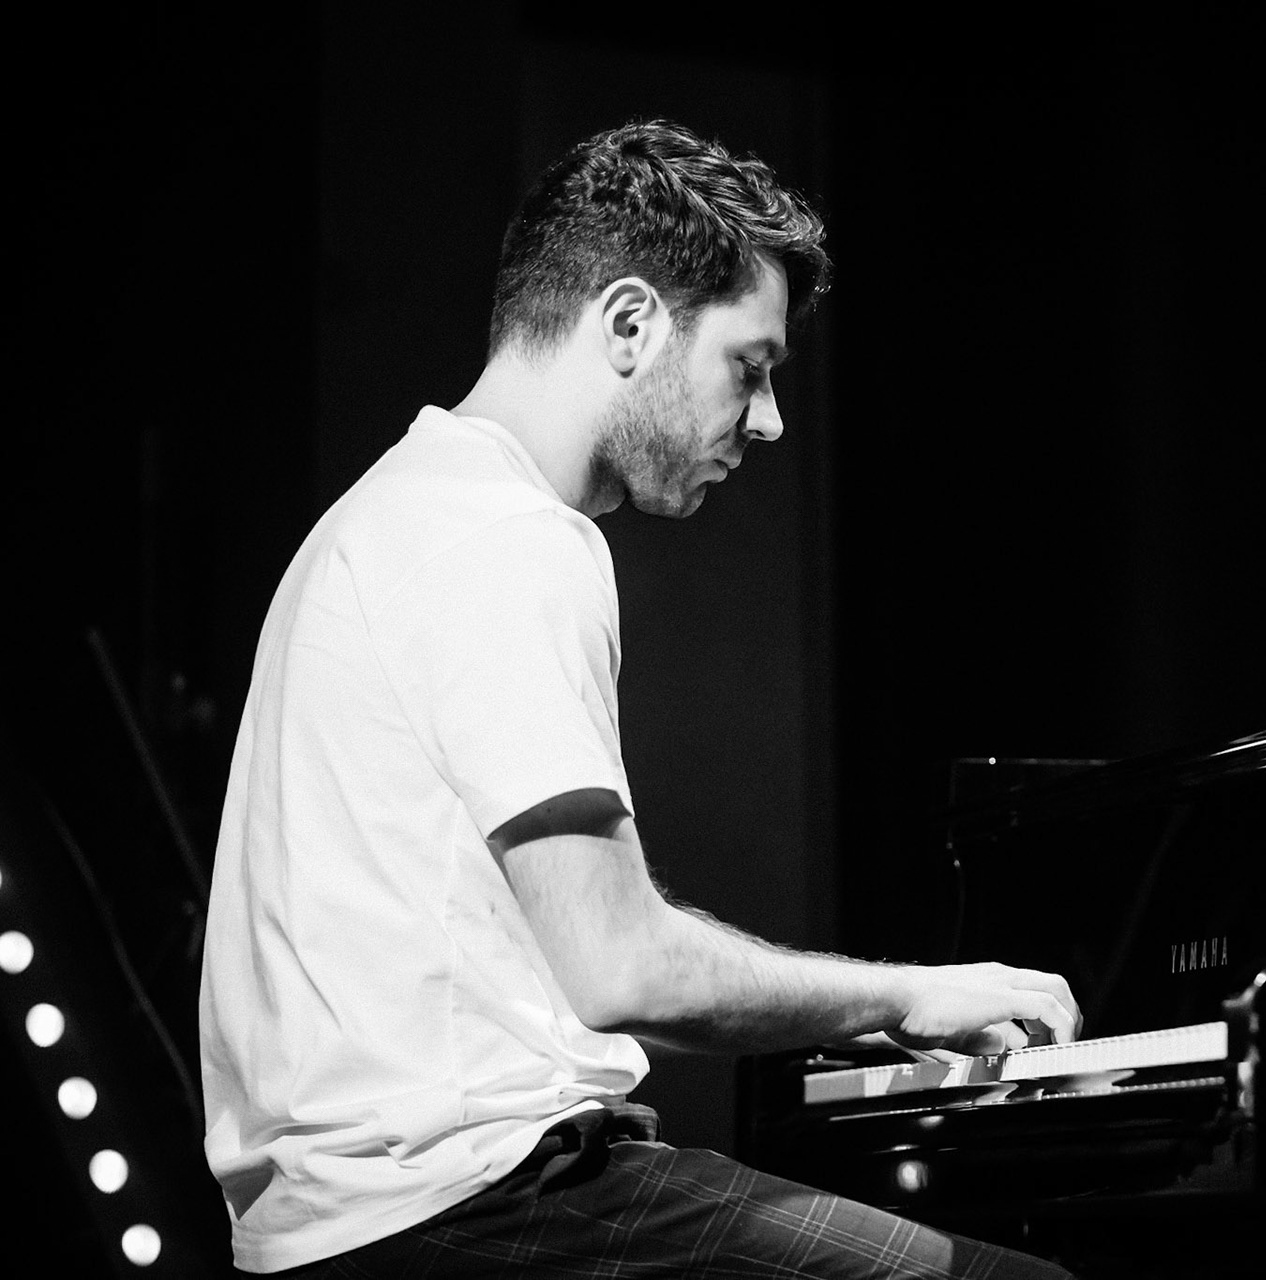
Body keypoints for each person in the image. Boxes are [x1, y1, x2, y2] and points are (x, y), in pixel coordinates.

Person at [198, 118, 1081, 1278]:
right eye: (748, 367)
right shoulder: (501, 533)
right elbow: (621, 964)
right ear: (629, 323)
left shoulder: (392, 511)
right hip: (475, 1208)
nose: (765, 422)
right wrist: (915, 992)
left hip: (365, 1220)